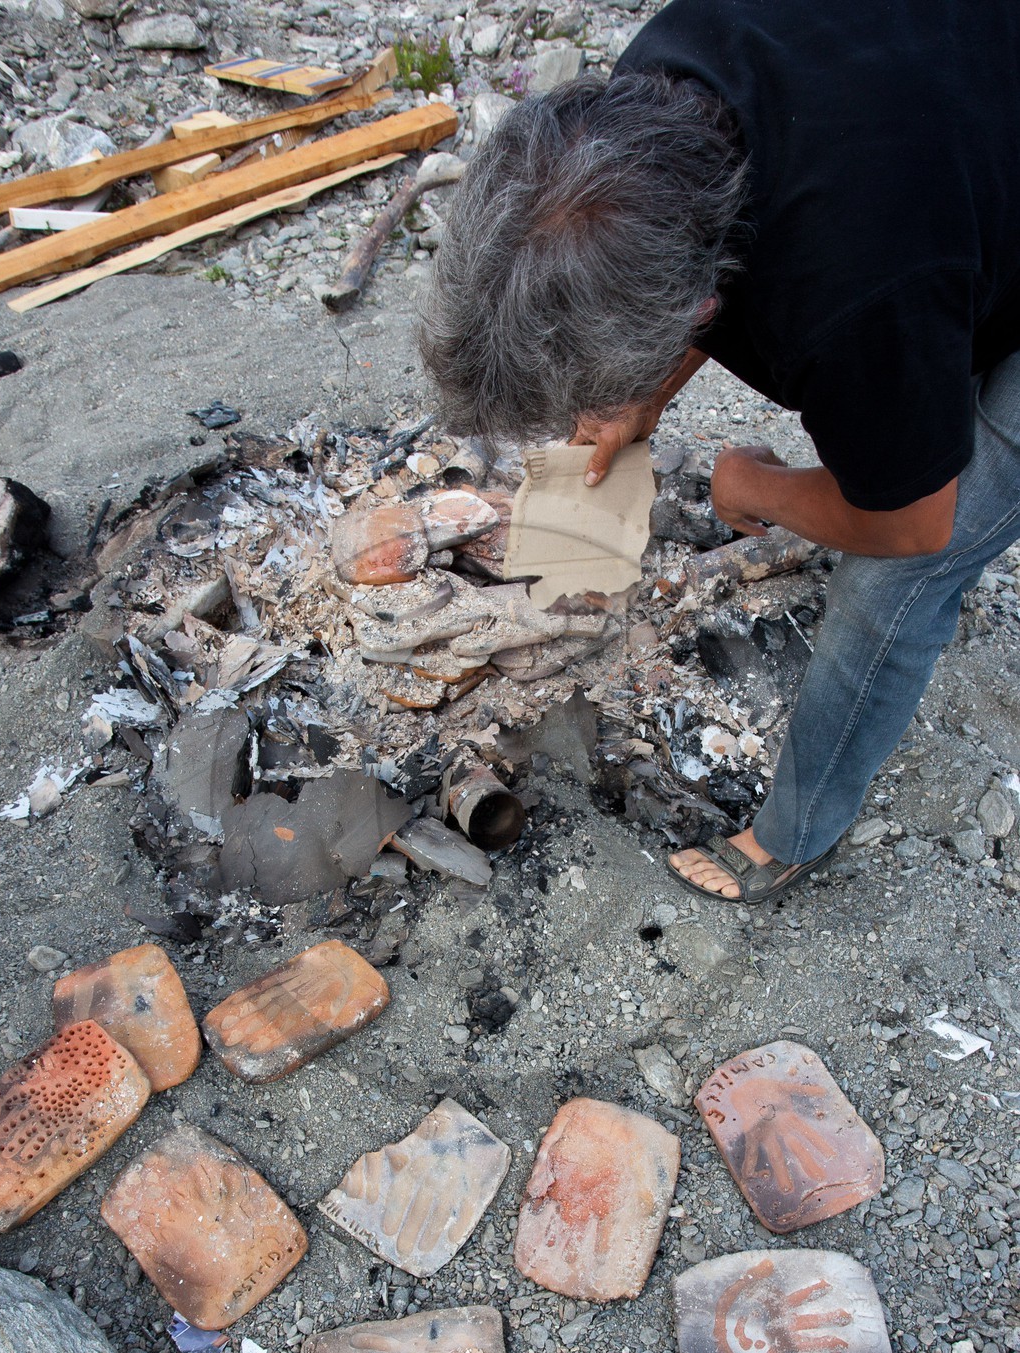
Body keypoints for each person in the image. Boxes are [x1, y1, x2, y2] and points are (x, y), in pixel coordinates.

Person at [419, 0, 1020, 906]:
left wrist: (763, 487)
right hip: (956, 128)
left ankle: (791, 835)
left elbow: (912, 524)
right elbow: (701, 257)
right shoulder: (641, 105)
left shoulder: (852, 294)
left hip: (935, 207)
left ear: (692, 306)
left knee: (890, 587)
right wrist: (642, 399)